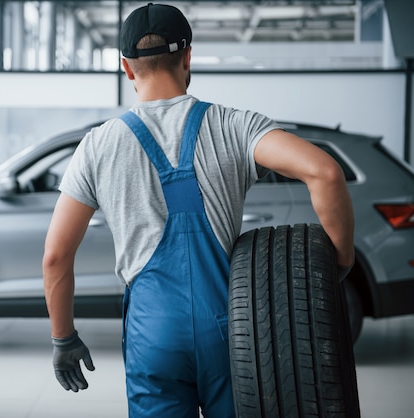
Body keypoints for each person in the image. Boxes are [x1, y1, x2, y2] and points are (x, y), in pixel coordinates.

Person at [43, 3, 355, 417]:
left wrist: (64, 339)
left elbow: (56, 257)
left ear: (127, 68)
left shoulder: (98, 145)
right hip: (235, 330)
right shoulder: (235, 126)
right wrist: (338, 265)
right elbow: (326, 174)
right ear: (188, 56)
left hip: (152, 334)